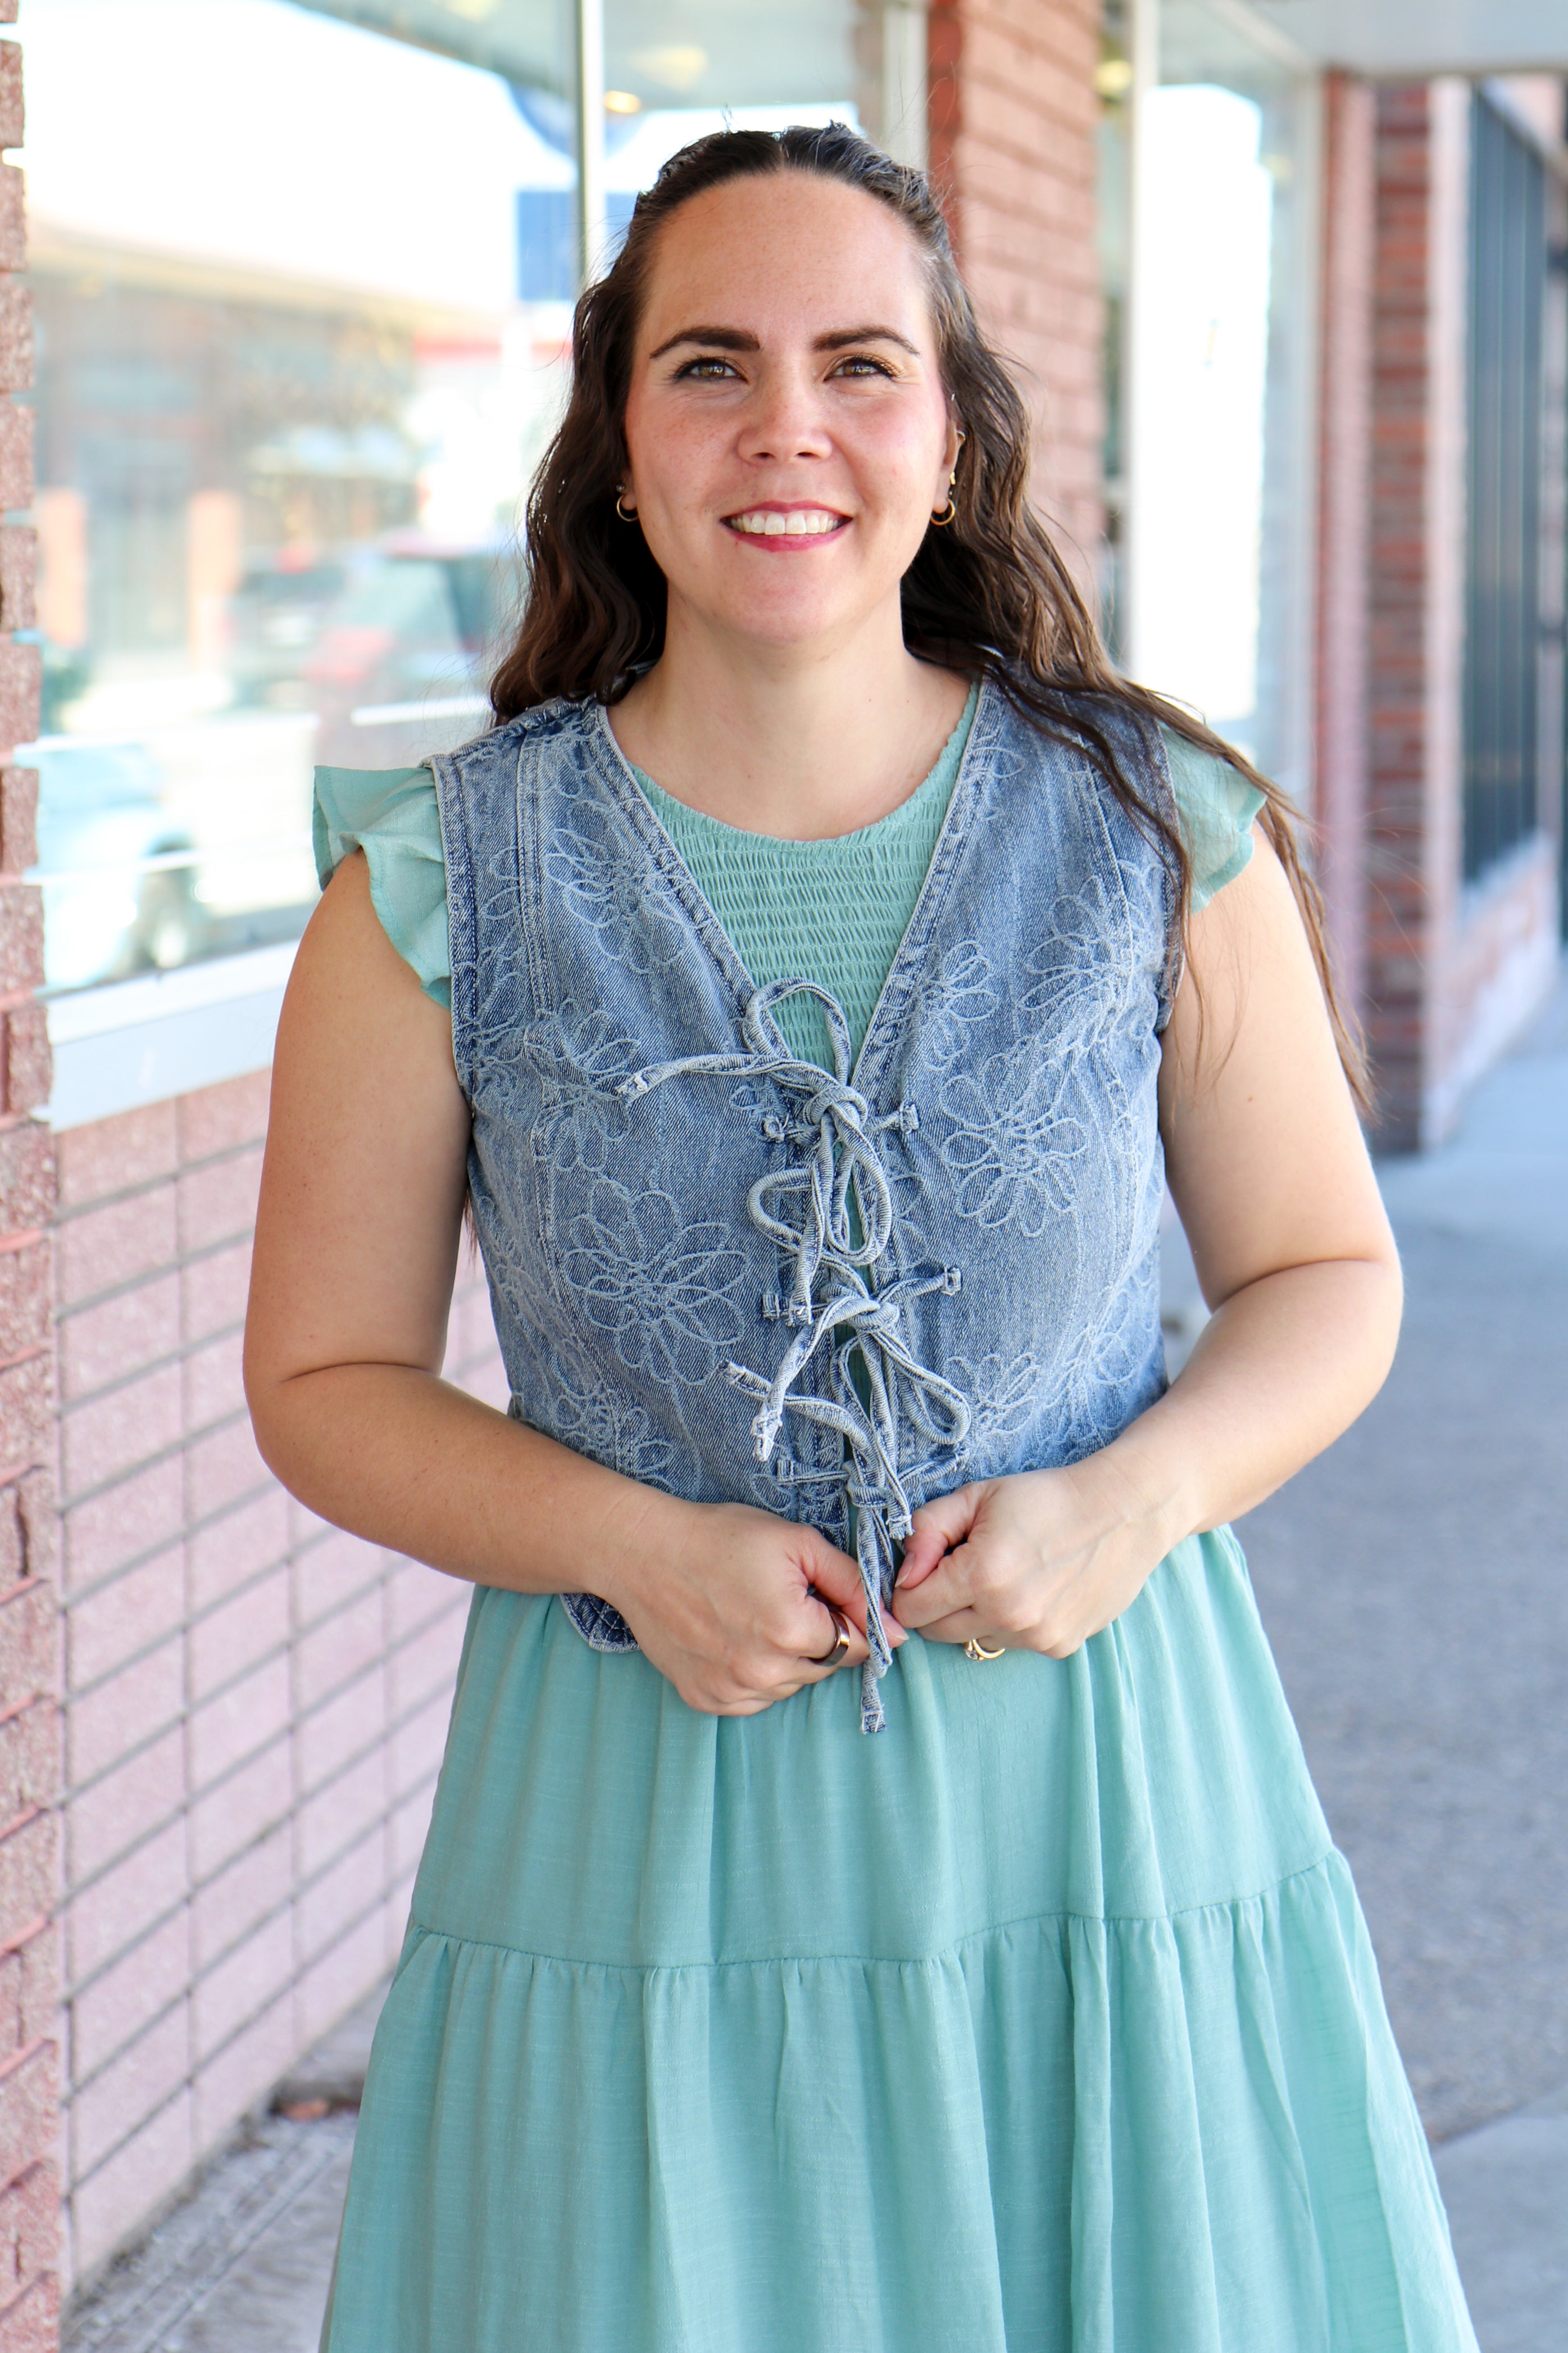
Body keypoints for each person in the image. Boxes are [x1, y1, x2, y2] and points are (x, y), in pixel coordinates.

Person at [245, 124, 1476, 2353]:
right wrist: (624, 1539)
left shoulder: (1147, 835)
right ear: (619, 441)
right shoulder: (435, 883)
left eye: (858, 364)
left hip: (1106, 1813)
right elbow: (325, 1386)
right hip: (636, 1836)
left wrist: (1140, 1495)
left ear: (950, 444)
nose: (782, 424)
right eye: (709, 364)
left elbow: (1323, 1276)